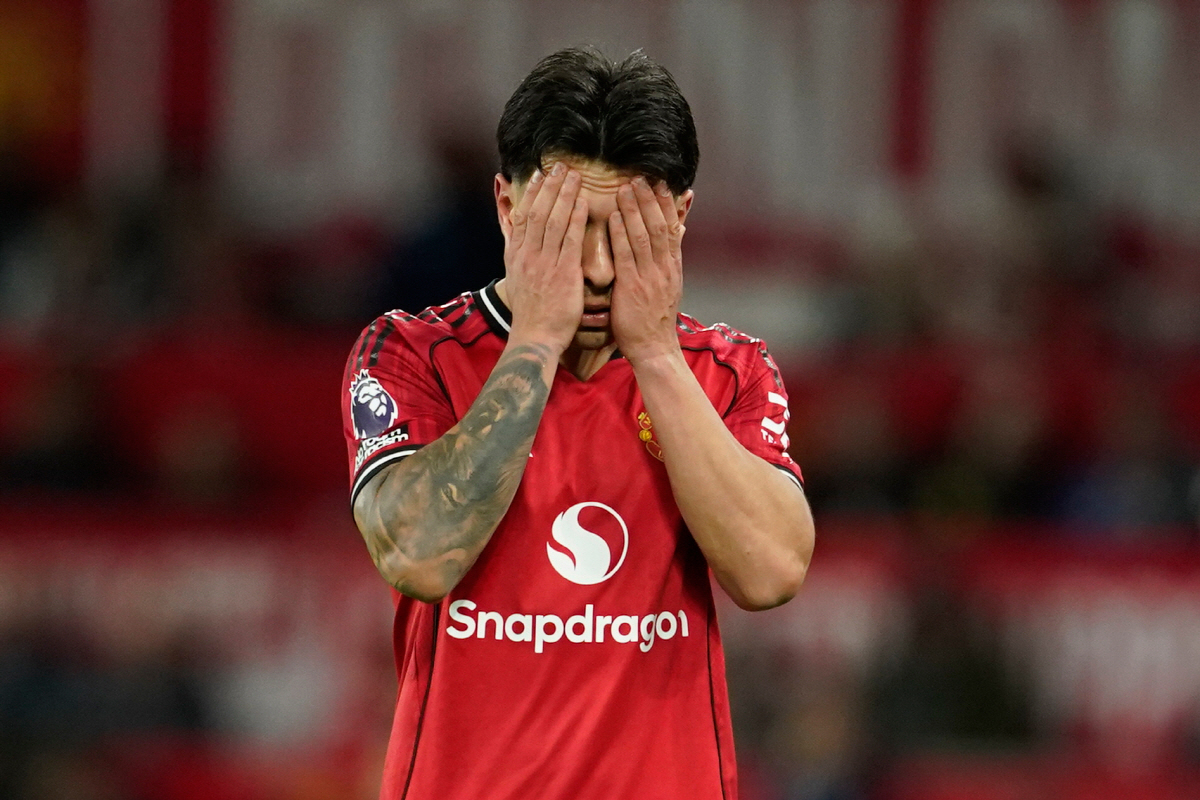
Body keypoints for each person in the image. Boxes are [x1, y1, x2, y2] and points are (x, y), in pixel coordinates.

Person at [341, 46, 815, 800]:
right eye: (569, 228)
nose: (596, 269)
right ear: (507, 207)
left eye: (625, 233)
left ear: (680, 218)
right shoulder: (410, 357)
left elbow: (770, 573)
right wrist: (534, 339)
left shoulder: (728, 373)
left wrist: (656, 352)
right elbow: (421, 557)